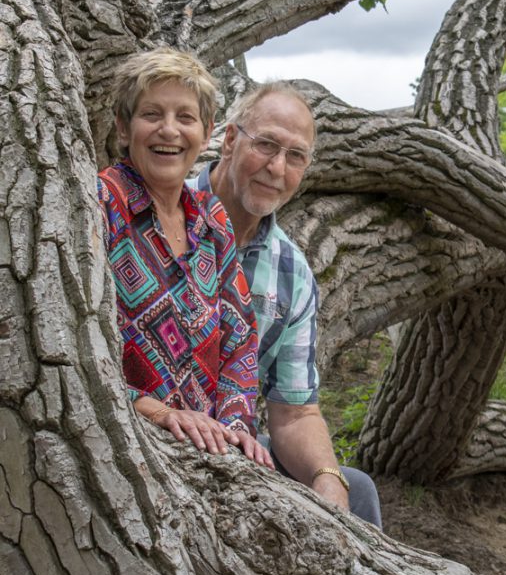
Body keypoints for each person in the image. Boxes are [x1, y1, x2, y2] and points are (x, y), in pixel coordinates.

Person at [189, 82, 382, 527]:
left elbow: (295, 411)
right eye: (267, 145)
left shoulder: (291, 273)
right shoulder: (161, 210)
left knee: (357, 490)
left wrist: (326, 476)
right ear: (231, 140)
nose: (277, 167)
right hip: (157, 427)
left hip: (235, 444)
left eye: (296, 156)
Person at [97, 47, 273, 469]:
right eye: (152, 114)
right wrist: (159, 413)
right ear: (123, 128)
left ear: (207, 130)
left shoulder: (211, 218)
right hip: (129, 442)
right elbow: (73, 348)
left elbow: (240, 342)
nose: (169, 130)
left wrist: (235, 428)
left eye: (186, 117)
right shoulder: (99, 203)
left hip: (212, 447)